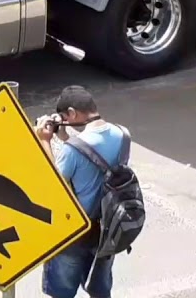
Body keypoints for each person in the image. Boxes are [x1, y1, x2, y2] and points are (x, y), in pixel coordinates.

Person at [34, 85, 130, 298]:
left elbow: (54, 185)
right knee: (100, 290)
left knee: (62, 293)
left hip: (76, 232)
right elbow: (95, 161)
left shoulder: (72, 151)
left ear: (72, 113)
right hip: (108, 228)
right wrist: (66, 137)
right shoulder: (122, 135)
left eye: (63, 117)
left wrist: (44, 140)